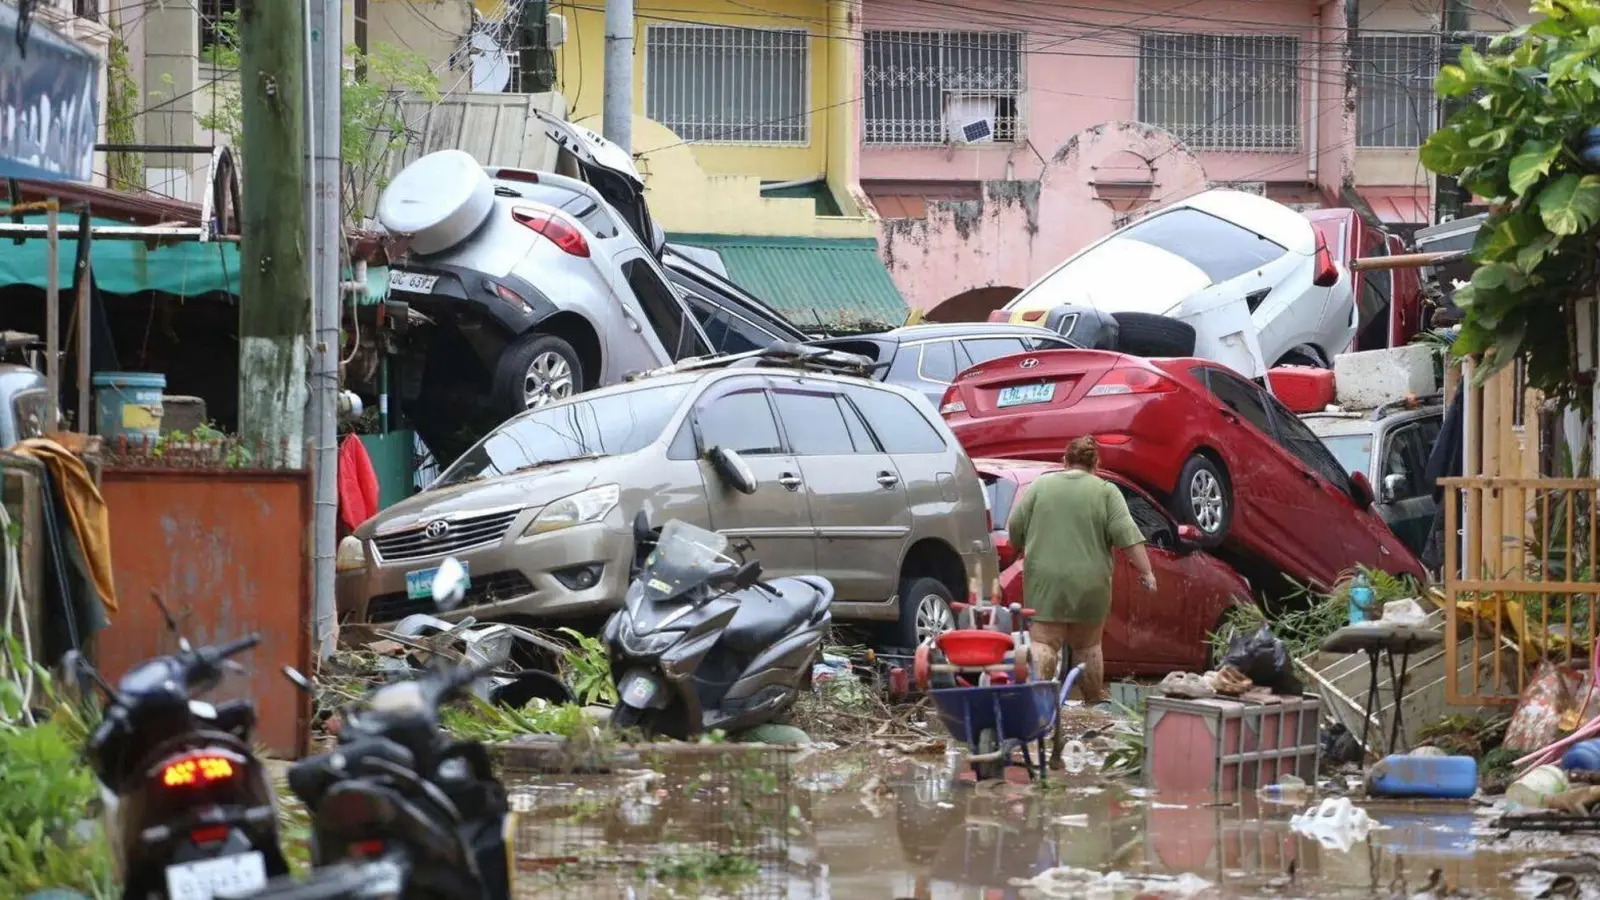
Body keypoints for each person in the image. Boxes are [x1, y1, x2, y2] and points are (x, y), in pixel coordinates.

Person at [1007, 435, 1155, 710]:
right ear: (1095, 464)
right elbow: (1128, 536)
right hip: (1091, 583)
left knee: (1043, 643)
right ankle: (1094, 702)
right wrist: (1147, 572)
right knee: (1087, 646)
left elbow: (1015, 528)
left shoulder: (1040, 485)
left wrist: (1017, 549)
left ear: (1064, 461)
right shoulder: (1106, 491)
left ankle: (1038, 705)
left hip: (1045, 581)